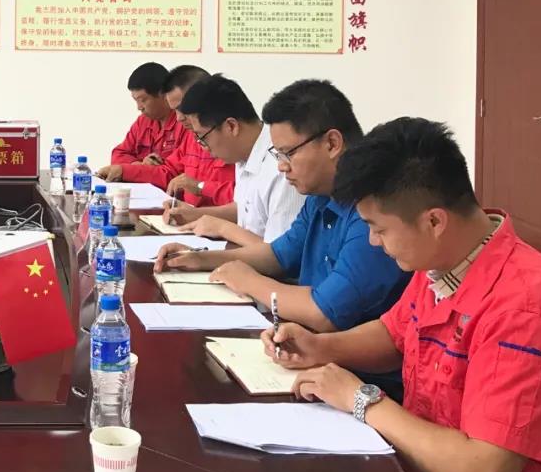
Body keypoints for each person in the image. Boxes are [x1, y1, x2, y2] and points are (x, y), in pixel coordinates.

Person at [264, 117, 541, 472]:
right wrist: (320, 347)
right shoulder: (443, 261)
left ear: (435, 222)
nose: (373, 242)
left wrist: (361, 399)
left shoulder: (526, 310)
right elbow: (395, 334)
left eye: (379, 228)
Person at [154, 79, 409, 334]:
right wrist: (200, 258)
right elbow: (278, 256)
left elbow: (324, 313)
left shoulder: (373, 212)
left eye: (289, 153)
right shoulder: (319, 196)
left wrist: (249, 281)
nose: (281, 166)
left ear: (332, 143)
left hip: (335, 351)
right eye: (278, 155)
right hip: (303, 338)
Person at [165, 74, 305, 245]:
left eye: (202, 137)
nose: (203, 147)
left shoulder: (281, 168)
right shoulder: (243, 153)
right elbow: (245, 209)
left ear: (231, 126)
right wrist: (195, 214)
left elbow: (281, 253)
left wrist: (223, 228)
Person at [98, 65, 234, 207]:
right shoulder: (192, 136)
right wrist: (126, 169)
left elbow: (239, 201)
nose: (179, 118)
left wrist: (200, 190)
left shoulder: (229, 139)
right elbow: (168, 171)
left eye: (184, 109)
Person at [110, 62, 185, 166]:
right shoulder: (142, 122)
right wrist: (138, 165)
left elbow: (183, 166)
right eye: (135, 100)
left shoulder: (185, 122)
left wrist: (147, 169)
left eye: (142, 100)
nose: (139, 107)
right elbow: (118, 154)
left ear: (163, 94)